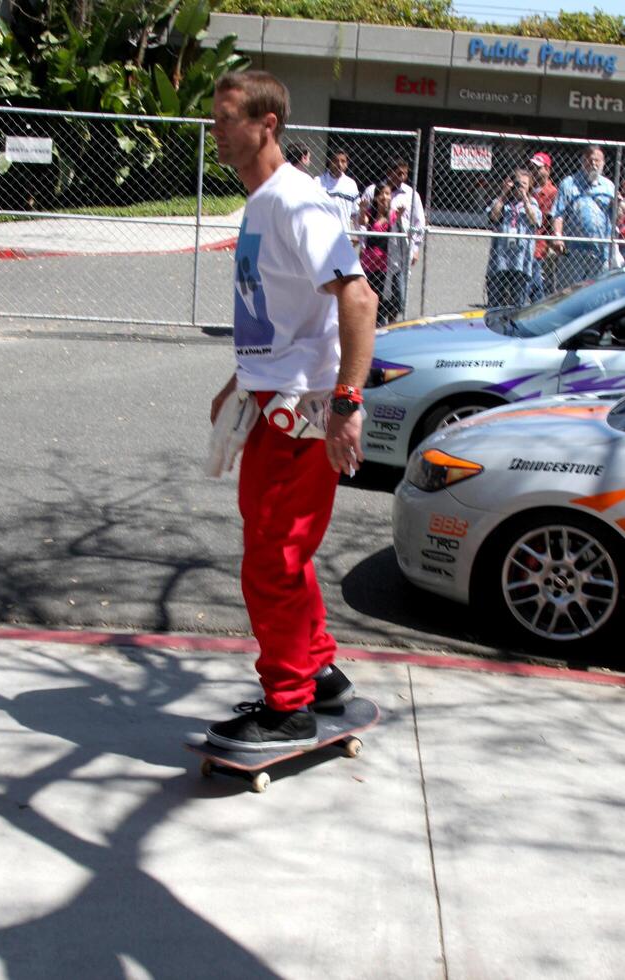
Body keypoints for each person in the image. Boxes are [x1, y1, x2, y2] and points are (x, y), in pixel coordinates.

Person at [206, 70, 378, 751]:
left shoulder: (296, 203)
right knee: (284, 549)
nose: (215, 131)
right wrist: (239, 378)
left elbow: (358, 300)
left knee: (272, 558)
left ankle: (289, 706)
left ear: (265, 125)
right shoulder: (260, 202)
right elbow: (280, 315)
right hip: (273, 395)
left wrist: (347, 403)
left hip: (303, 408)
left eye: (225, 119)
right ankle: (317, 671)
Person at [359, 158, 425, 319]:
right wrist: (362, 244)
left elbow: (419, 222)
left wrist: (415, 248)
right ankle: (378, 324)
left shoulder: (411, 195)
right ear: (389, 172)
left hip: (399, 253)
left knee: (398, 296)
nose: (402, 177)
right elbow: (362, 222)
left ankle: (393, 323)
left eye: (405, 174)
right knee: (377, 294)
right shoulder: (373, 191)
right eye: (398, 173)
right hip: (375, 256)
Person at [550, 145, 615, 289]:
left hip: (600, 253)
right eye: (590, 160)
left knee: (598, 293)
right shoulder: (569, 184)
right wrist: (558, 235)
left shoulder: (609, 187)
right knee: (569, 294)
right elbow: (558, 214)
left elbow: (616, 217)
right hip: (574, 253)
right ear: (582, 162)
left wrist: (620, 205)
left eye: (597, 161)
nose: (593, 164)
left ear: (603, 163)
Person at [485, 167, 541, 309]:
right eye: (517, 183)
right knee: (495, 304)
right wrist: (504, 193)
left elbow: (535, 220)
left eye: (524, 184)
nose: (519, 187)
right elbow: (493, 216)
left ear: (529, 187)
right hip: (501, 260)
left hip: (521, 261)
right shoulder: (503, 203)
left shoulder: (532, 203)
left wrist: (525, 199)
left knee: (518, 305)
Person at [358, 182, 406, 325]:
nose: (385, 197)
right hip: (369, 263)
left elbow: (397, 230)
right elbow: (362, 221)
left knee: (387, 298)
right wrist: (362, 210)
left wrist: (399, 218)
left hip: (385, 264)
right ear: (376, 197)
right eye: (381, 194)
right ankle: (372, 324)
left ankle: (382, 323)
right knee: (370, 296)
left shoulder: (392, 215)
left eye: (387, 194)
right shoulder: (371, 214)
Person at [527, 151, 557, 301]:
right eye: (532, 167)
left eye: (538, 168)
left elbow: (551, 223)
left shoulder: (552, 193)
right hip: (524, 242)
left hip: (540, 245)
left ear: (547, 169)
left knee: (535, 284)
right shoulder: (527, 189)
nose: (534, 171)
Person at [314, 147, 359, 232]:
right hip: (322, 234)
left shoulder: (351, 184)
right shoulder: (318, 181)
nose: (339, 164)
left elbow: (355, 214)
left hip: (343, 235)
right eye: (335, 160)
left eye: (343, 161)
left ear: (347, 164)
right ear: (330, 162)